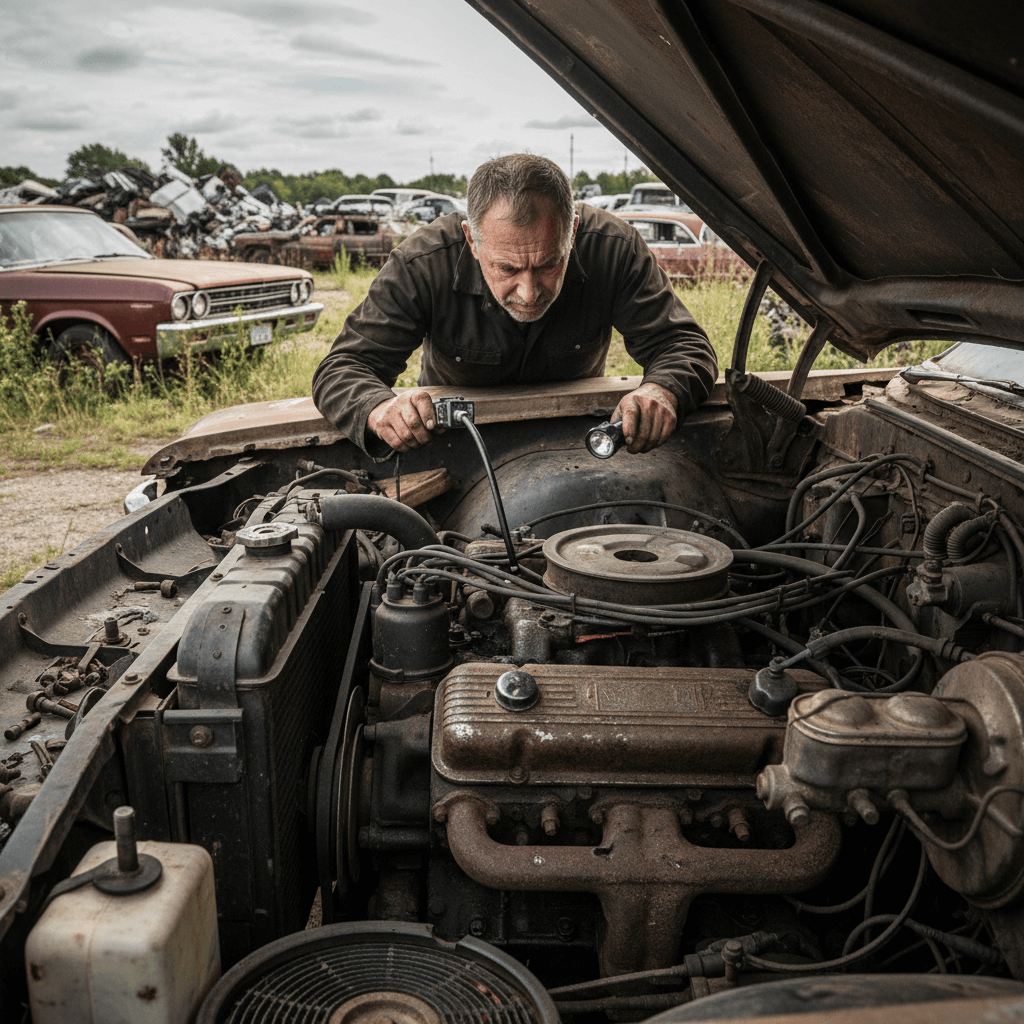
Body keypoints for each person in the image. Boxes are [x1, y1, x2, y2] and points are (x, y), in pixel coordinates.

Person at [312, 154, 718, 458]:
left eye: (548, 264)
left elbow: (683, 346)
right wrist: (380, 408)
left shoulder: (614, 249)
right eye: (507, 268)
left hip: (578, 444)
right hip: (457, 448)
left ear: (572, 230)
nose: (528, 292)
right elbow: (343, 369)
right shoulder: (424, 263)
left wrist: (661, 390)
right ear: (472, 241)